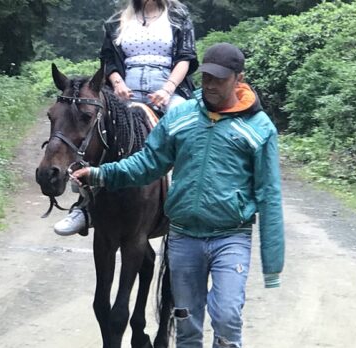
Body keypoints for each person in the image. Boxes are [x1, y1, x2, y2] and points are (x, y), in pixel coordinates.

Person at [71, 43, 285, 348]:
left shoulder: (259, 128)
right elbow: (147, 163)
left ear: (239, 78)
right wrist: (101, 174)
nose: (210, 85)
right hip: (184, 237)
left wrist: (272, 262)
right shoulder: (182, 116)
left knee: (226, 316)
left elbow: (270, 195)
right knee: (185, 322)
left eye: (219, 79)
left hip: (230, 237)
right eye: (207, 77)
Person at [53, 0, 198, 236]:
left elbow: (186, 57)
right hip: (125, 92)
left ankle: (184, 200)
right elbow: (108, 58)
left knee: (187, 128)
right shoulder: (117, 21)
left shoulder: (179, 16)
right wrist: (118, 84)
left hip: (168, 91)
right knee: (96, 127)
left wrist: (168, 89)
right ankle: (84, 205)